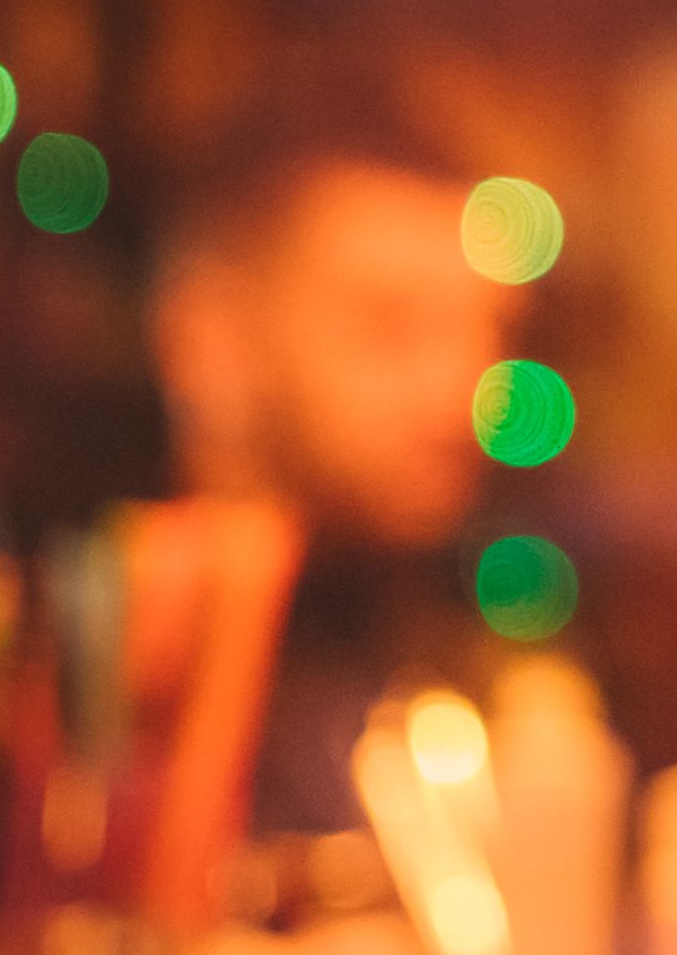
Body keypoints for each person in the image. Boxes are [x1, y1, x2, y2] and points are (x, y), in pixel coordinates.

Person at [145, 95, 527, 839]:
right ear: (211, 344)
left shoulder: (446, 639)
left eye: (488, 330)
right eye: (388, 326)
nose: (460, 395)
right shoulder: (94, 693)